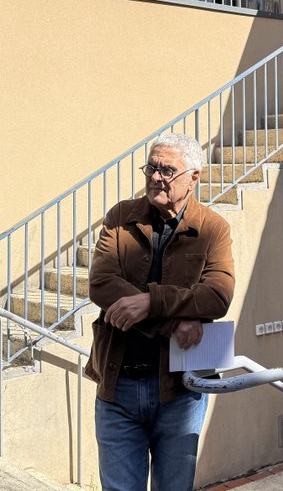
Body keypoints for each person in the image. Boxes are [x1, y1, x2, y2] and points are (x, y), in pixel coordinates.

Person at [84, 132, 235, 491]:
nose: (155, 177)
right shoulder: (121, 217)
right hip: (117, 386)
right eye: (151, 168)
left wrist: (149, 302)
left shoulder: (213, 229)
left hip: (180, 393)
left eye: (167, 170)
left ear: (193, 178)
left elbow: (217, 295)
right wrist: (171, 320)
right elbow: (101, 283)